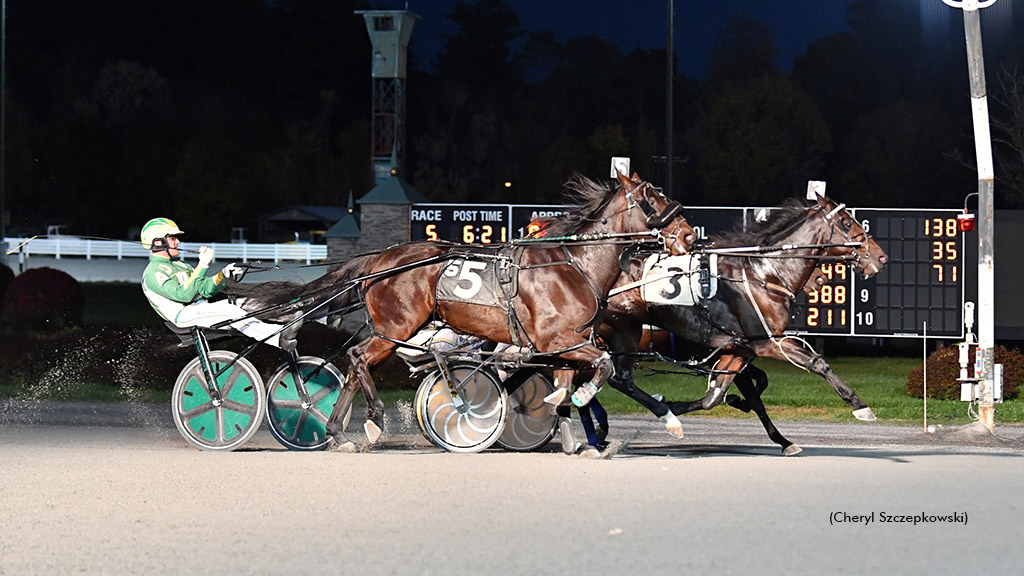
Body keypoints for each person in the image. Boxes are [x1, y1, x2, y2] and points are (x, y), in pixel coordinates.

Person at [139, 217, 300, 354]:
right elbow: (184, 295)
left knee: (243, 304)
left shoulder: (181, 265)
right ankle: (278, 338)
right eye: (173, 238)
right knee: (229, 310)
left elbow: (203, 290)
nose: (178, 241)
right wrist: (202, 265)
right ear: (158, 242)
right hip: (183, 317)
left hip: (198, 308)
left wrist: (223, 276)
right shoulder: (153, 272)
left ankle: (287, 319)